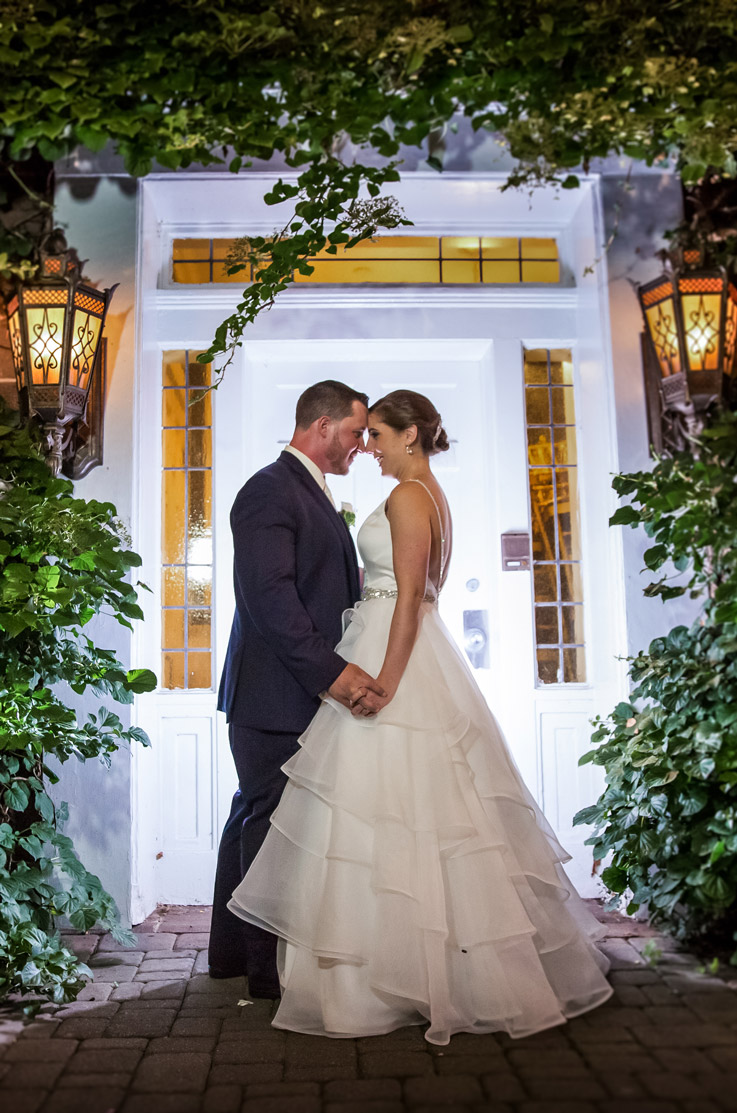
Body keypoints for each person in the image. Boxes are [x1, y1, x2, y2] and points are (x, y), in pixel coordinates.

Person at [228, 389, 613, 1042]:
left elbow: (409, 599)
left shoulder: (410, 495)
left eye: (375, 433)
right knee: (405, 813)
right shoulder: (425, 493)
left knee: (377, 815)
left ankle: (379, 969)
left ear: (409, 435)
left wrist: (386, 680)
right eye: (361, 433)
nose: (367, 446)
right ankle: (409, 958)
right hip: (380, 648)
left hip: (391, 657)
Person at [209, 380, 386, 996]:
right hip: (272, 697)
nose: (362, 445)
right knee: (269, 827)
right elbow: (271, 602)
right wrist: (336, 676)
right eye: (358, 432)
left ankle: (231, 953)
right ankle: (267, 975)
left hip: (288, 694)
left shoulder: (308, 492)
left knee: (254, 814)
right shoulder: (268, 491)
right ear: (323, 425)